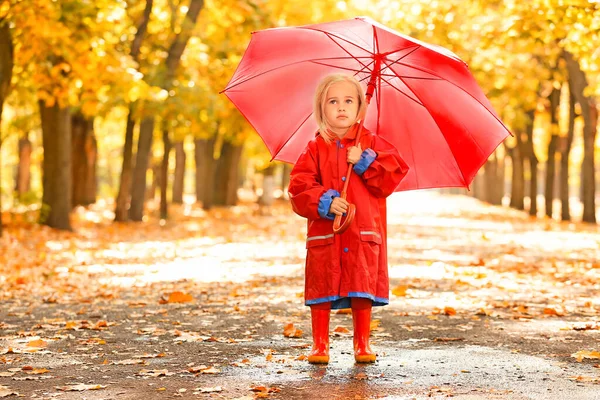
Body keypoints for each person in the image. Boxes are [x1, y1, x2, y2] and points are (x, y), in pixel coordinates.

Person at [288, 74, 409, 364]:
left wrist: (367, 162)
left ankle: (362, 342)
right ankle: (320, 344)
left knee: (360, 281)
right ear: (322, 108)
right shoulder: (315, 148)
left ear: (359, 108)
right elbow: (298, 186)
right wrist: (325, 201)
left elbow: (390, 179)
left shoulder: (372, 144)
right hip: (326, 231)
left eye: (348, 101)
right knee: (322, 282)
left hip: (362, 230)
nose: (341, 107)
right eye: (333, 101)